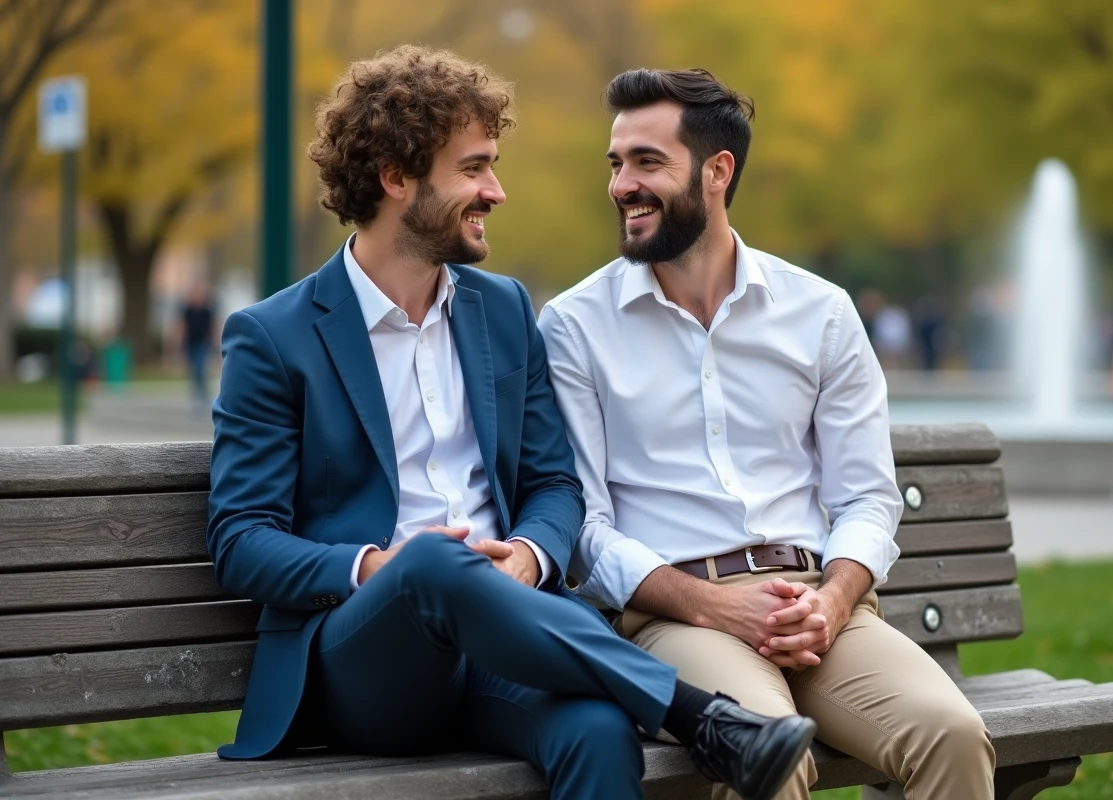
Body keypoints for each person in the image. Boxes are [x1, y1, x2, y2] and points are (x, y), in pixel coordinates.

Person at [206, 46, 815, 800]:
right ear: (396, 179)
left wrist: (528, 555)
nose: (495, 190)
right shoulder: (275, 336)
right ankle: (701, 717)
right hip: (366, 656)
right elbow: (241, 538)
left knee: (595, 732)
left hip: (507, 643)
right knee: (429, 564)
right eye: (473, 168)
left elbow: (552, 481)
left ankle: (702, 721)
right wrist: (376, 566)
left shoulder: (502, 311)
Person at [539, 68, 996, 799]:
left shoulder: (819, 311)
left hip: (817, 607)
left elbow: (868, 499)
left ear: (717, 171)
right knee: (765, 760)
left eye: (648, 162)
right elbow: (584, 528)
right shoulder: (574, 327)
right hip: (676, 618)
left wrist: (834, 602)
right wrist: (713, 605)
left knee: (954, 736)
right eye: (617, 163)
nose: (623, 183)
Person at [178, 282, 215, 409]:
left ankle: (202, 396)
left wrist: (215, 342)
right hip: (191, 344)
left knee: (200, 369)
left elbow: (212, 327)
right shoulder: (188, 310)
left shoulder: (207, 311)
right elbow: (184, 327)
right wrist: (179, 342)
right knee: (193, 370)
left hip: (203, 344)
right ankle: (197, 395)